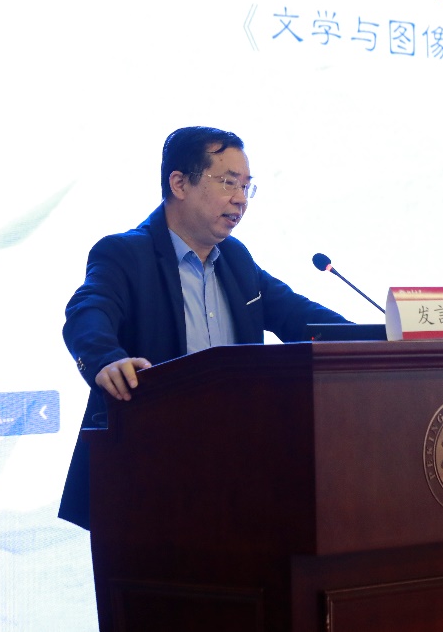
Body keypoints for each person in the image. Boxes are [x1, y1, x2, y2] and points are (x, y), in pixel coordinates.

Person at [57, 126, 349, 528]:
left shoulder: (236, 260)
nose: (241, 199)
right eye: (228, 182)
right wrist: (106, 359)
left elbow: (299, 315)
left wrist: (377, 339)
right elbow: (88, 309)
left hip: (234, 473)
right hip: (146, 480)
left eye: (246, 186)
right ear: (179, 183)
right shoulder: (125, 254)